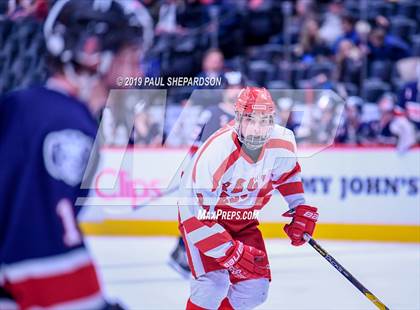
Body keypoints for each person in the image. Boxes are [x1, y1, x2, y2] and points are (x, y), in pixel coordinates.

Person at [0, 0, 142, 308]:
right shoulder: (65, 127)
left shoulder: (30, 105)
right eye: (131, 60)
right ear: (92, 53)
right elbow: (36, 247)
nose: (139, 73)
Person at [177, 87, 319, 309]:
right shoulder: (216, 152)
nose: (257, 128)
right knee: (212, 285)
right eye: (250, 120)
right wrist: (230, 254)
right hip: (205, 218)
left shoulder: (282, 141)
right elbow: (196, 219)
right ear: (238, 119)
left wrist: (298, 206)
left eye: (264, 120)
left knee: (254, 290)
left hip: (244, 220)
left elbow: (287, 174)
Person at [169, 71, 245, 277]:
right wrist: (192, 171)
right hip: (207, 177)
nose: (235, 91)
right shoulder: (211, 113)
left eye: (238, 87)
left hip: (229, 180)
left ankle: (210, 256)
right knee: (201, 216)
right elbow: (196, 144)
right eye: (231, 87)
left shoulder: (244, 117)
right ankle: (183, 251)